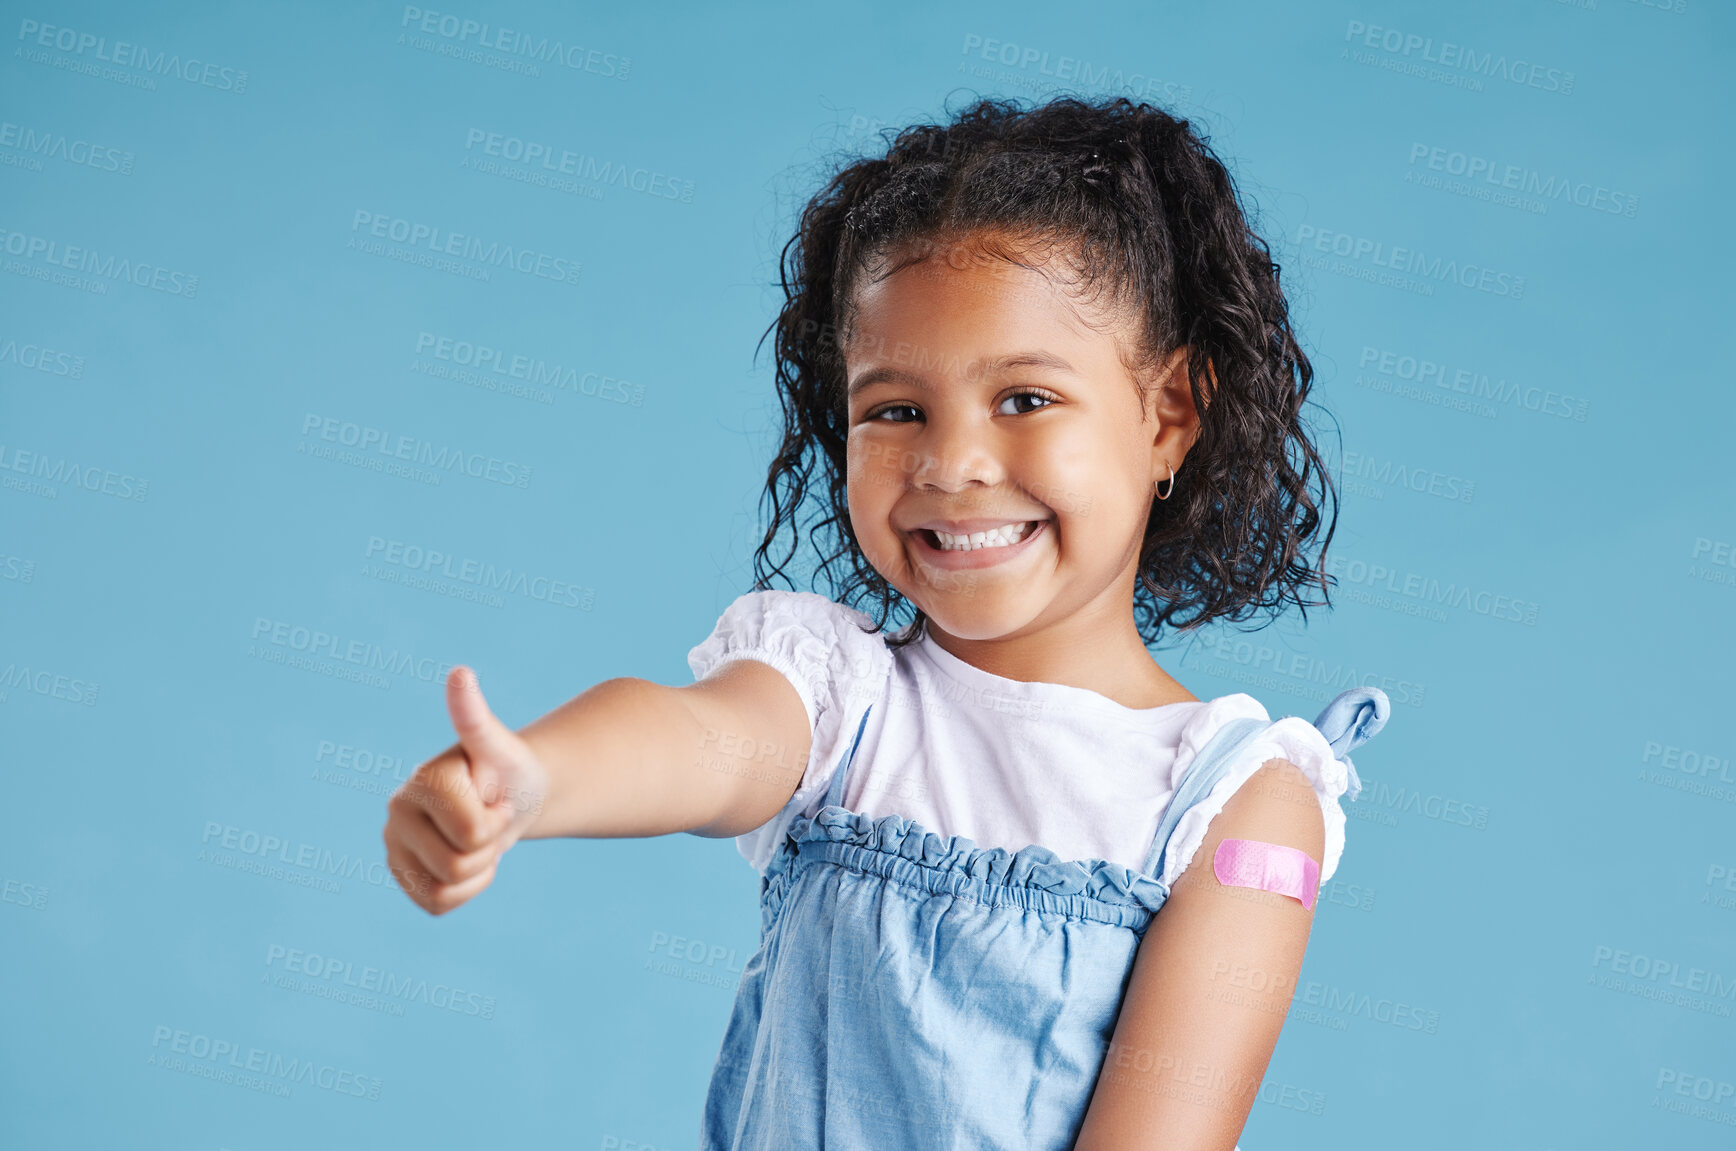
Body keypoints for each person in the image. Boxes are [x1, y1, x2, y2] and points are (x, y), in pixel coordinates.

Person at [382, 93, 1391, 1151]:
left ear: (1168, 414)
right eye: (894, 409)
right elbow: (697, 741)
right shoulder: (837, 700)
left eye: (1025, 399)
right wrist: (537, 778)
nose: (950, 465)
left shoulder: (1236, 808)